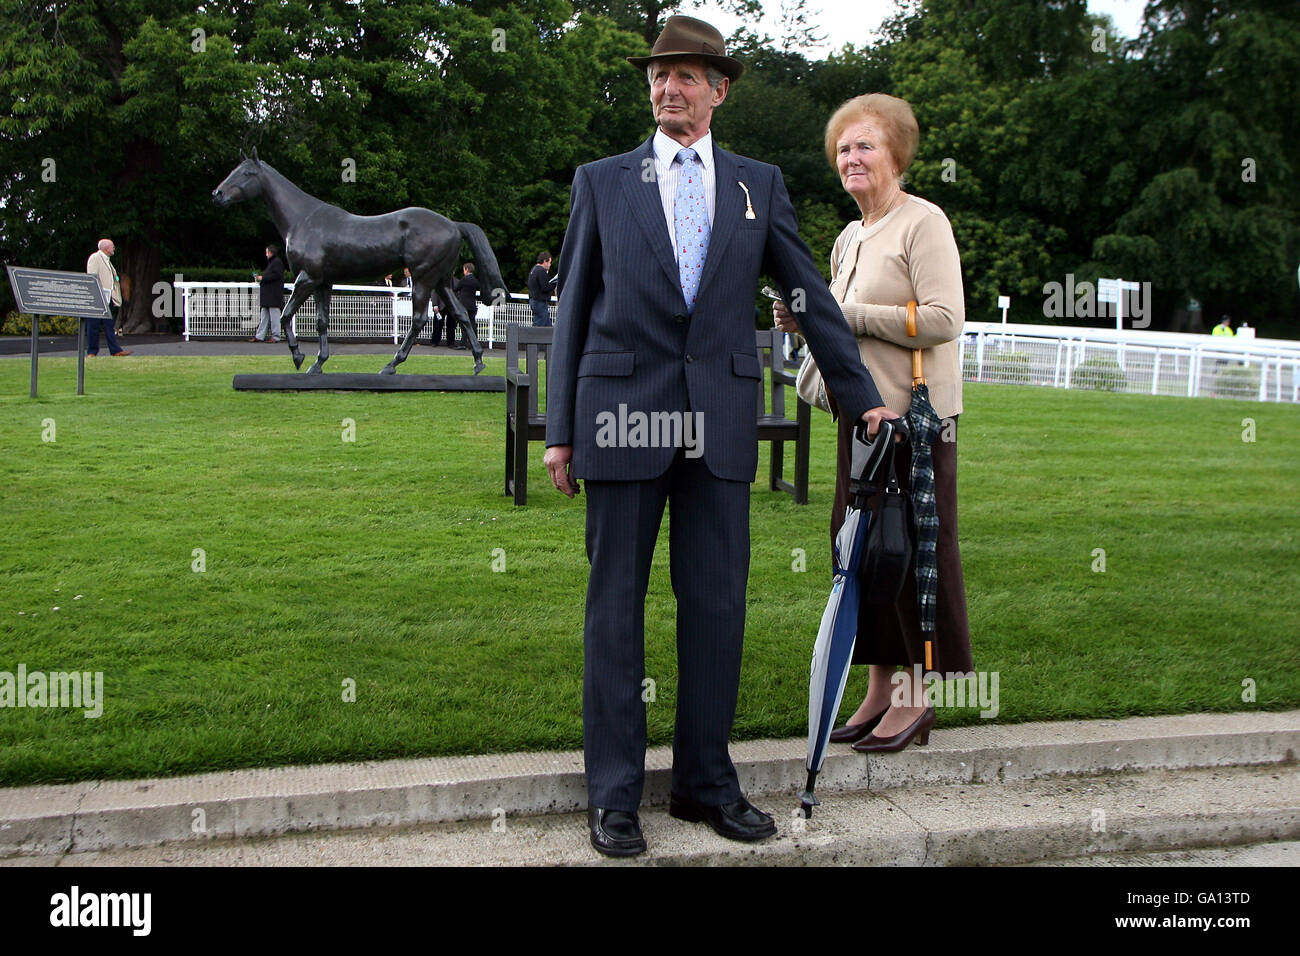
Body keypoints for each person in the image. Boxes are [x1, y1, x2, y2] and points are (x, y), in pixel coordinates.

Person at [543, 15, 895, 858]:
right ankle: (615, 795)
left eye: (688, 76)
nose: (670, 87)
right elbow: (573, 310)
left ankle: (705, 782)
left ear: (719, 89)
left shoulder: (755, 184)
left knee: (715, 609)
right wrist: (561, 433)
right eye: (660, 75)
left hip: (721, 423)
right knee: (614, 611)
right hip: (622, 418)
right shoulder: (601, 181)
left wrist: (860, 395)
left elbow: (806, 293)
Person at [776, 93, 971, 755]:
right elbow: (838, 322)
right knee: (862, 551)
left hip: (917, 424)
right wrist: (805, 316)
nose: (849, 158)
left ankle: (920, 695)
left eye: (864, 145)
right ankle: (880, 686)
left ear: (897, 154)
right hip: (862, 419)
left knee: (915, 549)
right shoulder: (850, 235)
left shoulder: (924, 222)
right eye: (842, 148)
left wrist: (846, 314)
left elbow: (945, 319)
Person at [84, 238, 131, 356]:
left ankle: (115, 350)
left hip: (108, 297)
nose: (114, 248)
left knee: (109, 325)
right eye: (112, 246)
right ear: (106, 248)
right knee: (93, 325)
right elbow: (92, 277)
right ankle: (92, 351)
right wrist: (96, 294)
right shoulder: (95, 258)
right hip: (98, 297)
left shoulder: (107, 260)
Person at [253, 244, 285, 342]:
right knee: (264, 316)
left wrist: (262, 278)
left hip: (273, 295)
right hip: (269, 295)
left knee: (274, 317)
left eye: (267, 252)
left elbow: (276, 276)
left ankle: (275, 336)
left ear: (271, 253)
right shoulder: (274, 263)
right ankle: (259, 336)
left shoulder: (276, 263)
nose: (266, 255)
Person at [451, 262, 480, 349]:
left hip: (464, 305)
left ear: (467, 270)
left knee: (464, 324)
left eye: (464, 269)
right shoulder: (475, 280)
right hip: (472, 305)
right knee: (472, 324)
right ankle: (474, 343)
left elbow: (456, 289)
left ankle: (463, 343)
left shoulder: (464, 280)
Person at [527, 252, 553, 326]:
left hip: (533, 300)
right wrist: (554, 284)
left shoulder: (534, 270)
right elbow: (545, 287)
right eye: (549, 262)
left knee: (547, 325)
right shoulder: (541, 271)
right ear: (545, 261)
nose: (550, 265)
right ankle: (534, 337)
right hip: (540, 302)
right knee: (540, 326)